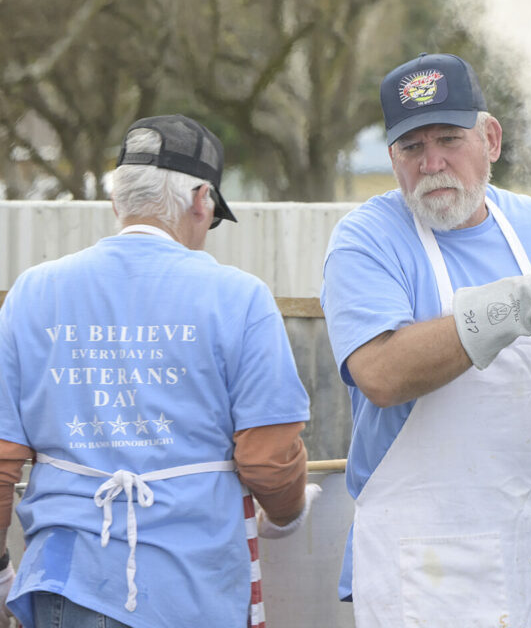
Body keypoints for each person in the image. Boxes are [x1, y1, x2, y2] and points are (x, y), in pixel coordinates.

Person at [321, 53, 531, 626]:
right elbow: (380, 374)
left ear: (491, 139)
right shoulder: (366, 240)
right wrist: (512, 307)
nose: (432, 163)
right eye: (412, 147)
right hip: (428, 560)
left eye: (449, 139)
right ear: (393, 158)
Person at [0, 115, 320, 627]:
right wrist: (288, 513)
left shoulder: (32, 293)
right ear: (201, 199)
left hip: (63, 582)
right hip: (189, 590)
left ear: (117, 200)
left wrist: (1, 571)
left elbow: (2, 460)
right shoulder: (239, 297)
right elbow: (267, 458)